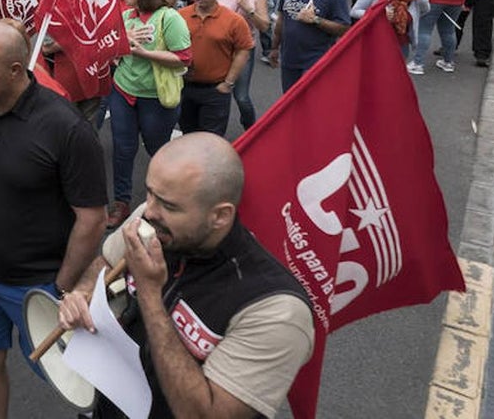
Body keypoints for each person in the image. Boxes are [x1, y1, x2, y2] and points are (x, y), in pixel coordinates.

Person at [58, 133, 315, 419]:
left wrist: (150, 296)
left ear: (220, 216)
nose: (149, 211)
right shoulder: (153, 220)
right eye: (149, 192)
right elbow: (105, 262)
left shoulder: (277, 311)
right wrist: (81, 294)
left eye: (169, 206)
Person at [0, 22, 107, 419]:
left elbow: (91, 218)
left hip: (38, 285)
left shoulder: (67, 129)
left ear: (16, 70)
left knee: (77, 384)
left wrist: (62, 284)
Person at [107, 0, 191, 228]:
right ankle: (121, 203)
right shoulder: (125, 16)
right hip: (122, 92)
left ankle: (164, 201)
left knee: (158, 150)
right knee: (123, 149)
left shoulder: (169, 18)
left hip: (155, 98)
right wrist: (121, 43)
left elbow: (184, 58)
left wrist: (144, 53)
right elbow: (112, 51)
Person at [178, 0, 253, 137]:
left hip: (215, 91)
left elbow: (243, 50)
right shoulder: (180, 16)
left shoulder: (234, 20)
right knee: (188, 134)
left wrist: (228, 83)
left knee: (211, 139)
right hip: (184, 88)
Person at [269, 0, 350, 91]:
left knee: (309, 107)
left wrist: (316, 20)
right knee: (289, 104)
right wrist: (274, 47)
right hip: (289, 59)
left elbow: (344, 28)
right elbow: (281, 20)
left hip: (315, 62)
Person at [217, 0, 270, 129]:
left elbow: (264, 26)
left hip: (242, 50)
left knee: (241, 97)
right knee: (216, 94)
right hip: (217, 47)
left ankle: (251, 129)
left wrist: (250, 9)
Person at [352, 0, 429, 59]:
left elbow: (425, 10)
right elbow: (354, 11)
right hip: (374, 42)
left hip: (401, 45)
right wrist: (378, 14)